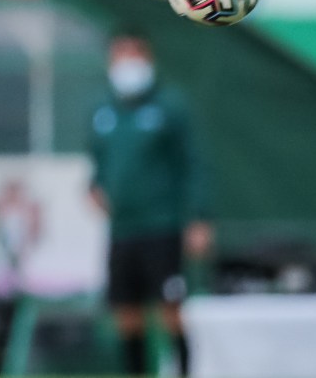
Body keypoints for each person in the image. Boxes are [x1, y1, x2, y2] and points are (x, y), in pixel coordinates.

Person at [88, 29, 213, 377]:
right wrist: (94, 189)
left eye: (135, 54)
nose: (128, 63)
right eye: (121, 54)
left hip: (162, 227)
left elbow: (193, 164)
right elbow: (98, 166)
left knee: (170, 309)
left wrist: (199, 217)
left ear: (149, 58)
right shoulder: (103, 111)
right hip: (121, 229)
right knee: (126, 314)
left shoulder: (170, 107)